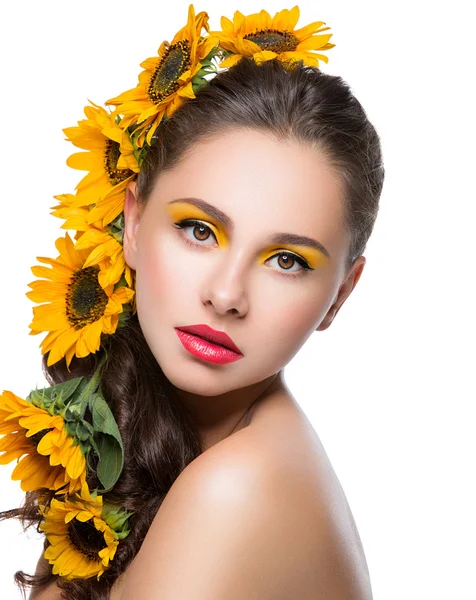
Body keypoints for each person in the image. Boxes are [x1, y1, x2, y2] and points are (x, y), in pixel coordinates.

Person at [0, 5, 385, 599]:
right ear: (131, 221)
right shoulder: (148, 438)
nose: (226, 295)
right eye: (200, 231)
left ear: (339, 295)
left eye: (287, 260)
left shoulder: (239, 487)